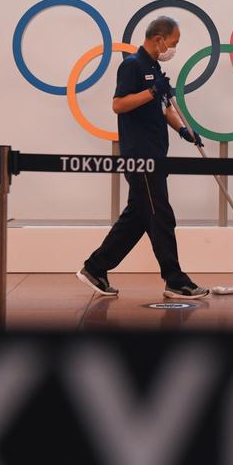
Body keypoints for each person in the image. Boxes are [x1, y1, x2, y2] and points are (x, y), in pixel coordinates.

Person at [76, 15, 210, 299]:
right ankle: (174, 279)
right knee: (161, 215)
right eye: (173, 42)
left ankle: (95, 268)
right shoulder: (132, 66)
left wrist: (186, 131)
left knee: (137, 218)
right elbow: (118, 105)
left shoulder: (155, 68)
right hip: (141, 157)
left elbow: (164, 108)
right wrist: (151, 91)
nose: (174, 48)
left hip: (156, 154)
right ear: (158, 38)